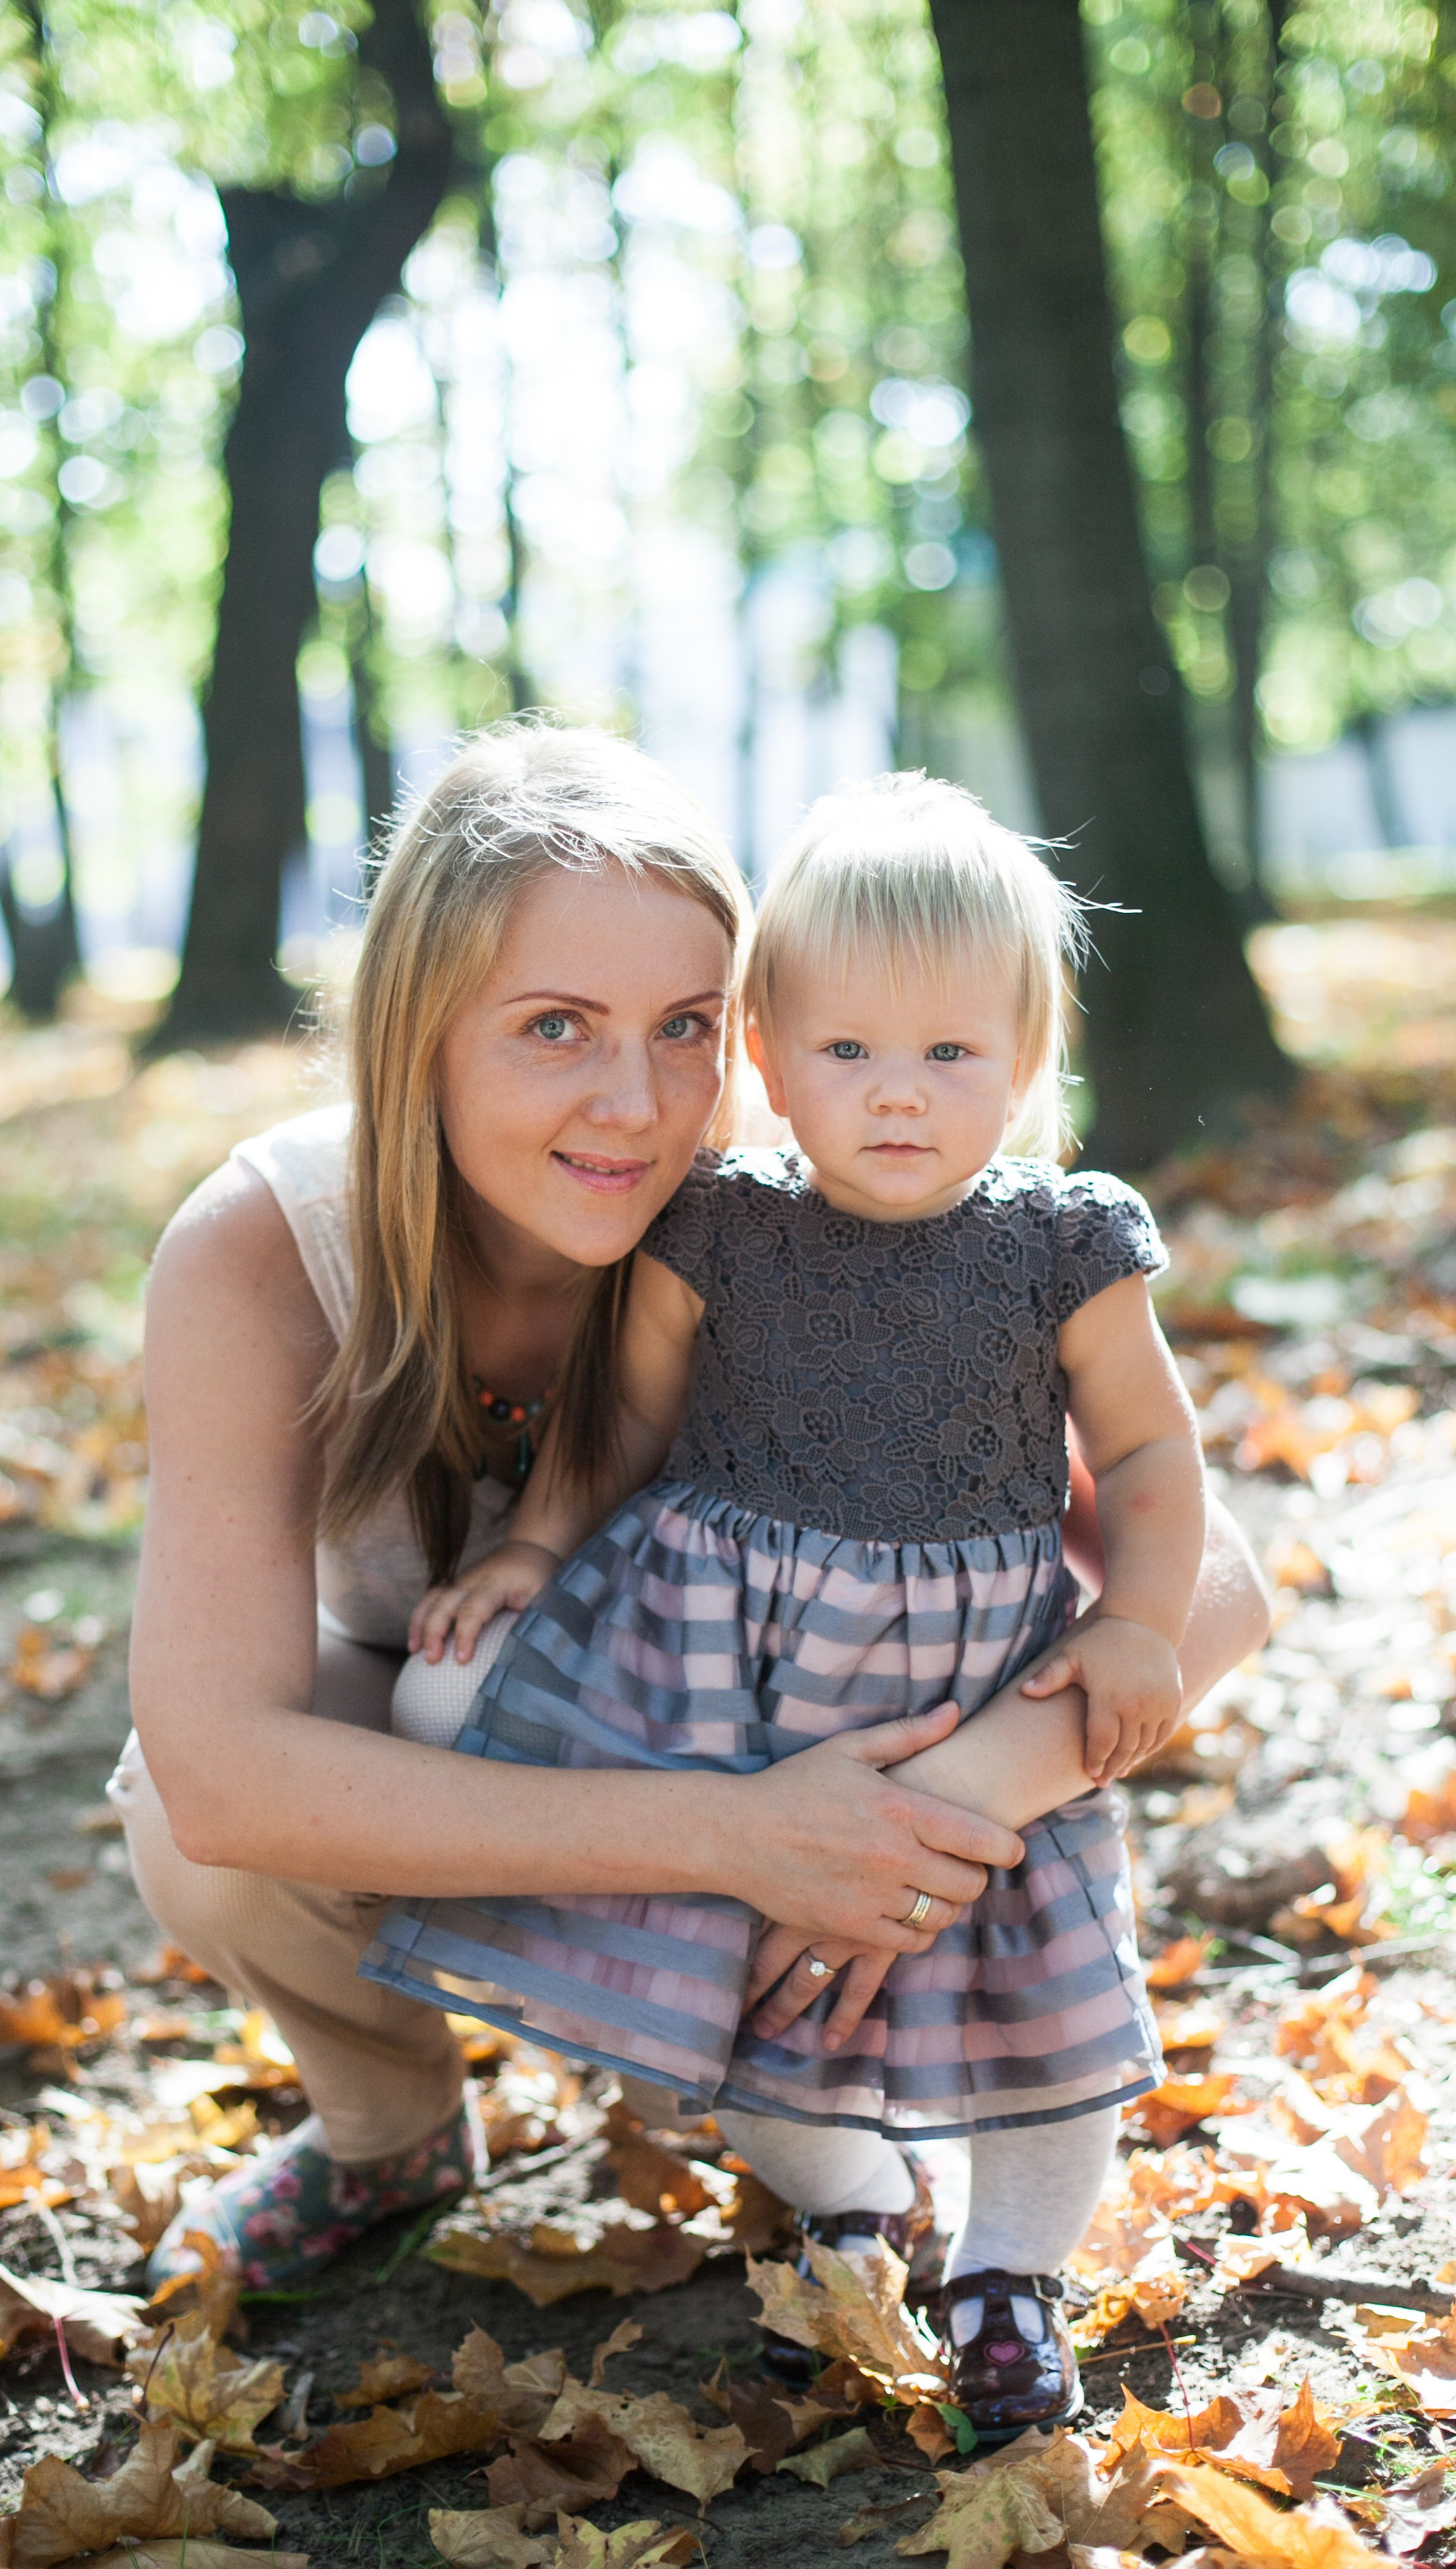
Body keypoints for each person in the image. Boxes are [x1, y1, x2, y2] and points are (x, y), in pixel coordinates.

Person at [363, 772, 1224, 2443]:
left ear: (1025, 1057)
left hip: (970, 1681)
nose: (897, 1097)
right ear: (764, 1055)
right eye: (846, 1053)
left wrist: (1132, 1622)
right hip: (730, 1667)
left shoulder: (1061, 1244)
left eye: (949, 1055)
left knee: (1028, 1984)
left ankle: (1010, 2270)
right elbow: (617, 1422)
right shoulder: (720, 1226)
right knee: (728, 1977)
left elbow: (1146, 1449)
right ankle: (847, 2203)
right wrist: (536, 1548)